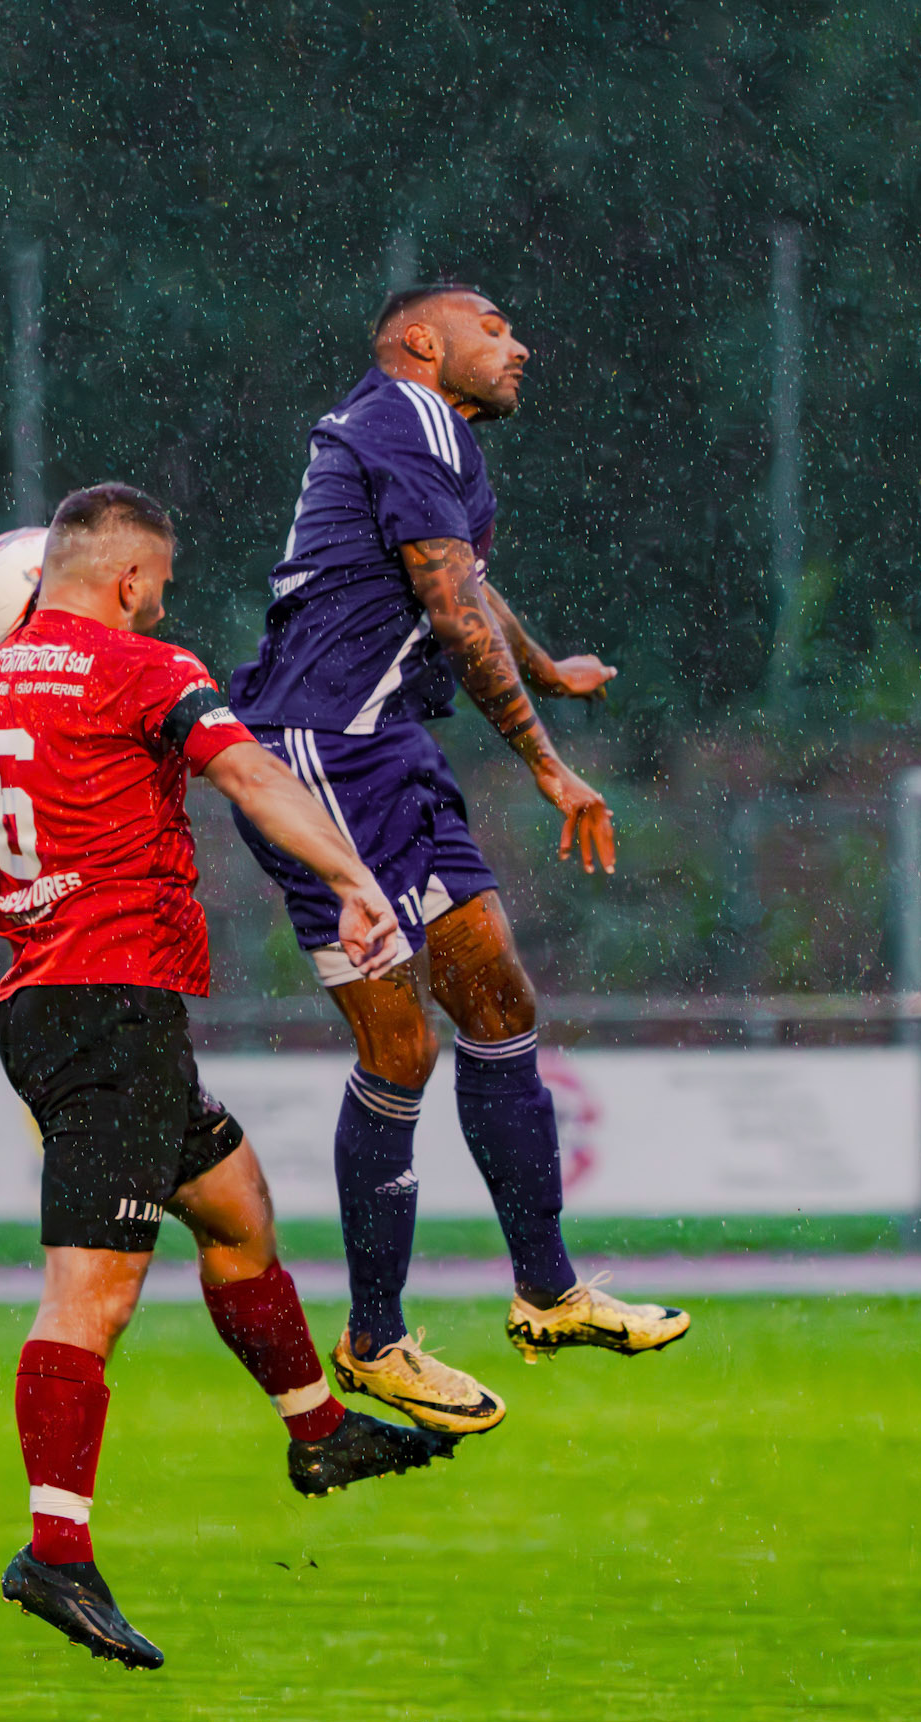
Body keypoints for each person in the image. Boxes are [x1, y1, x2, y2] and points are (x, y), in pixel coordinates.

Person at [0, 482, 455, 1674]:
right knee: (92, 1298)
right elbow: (249, 775)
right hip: (110, 1012)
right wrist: (352, 875)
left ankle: (318, 1428)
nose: (165, 602)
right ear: (131, 580)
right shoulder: (141, 668)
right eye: (164, 585)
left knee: (238, 1212)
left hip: (64, 1004)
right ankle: (55, 1550)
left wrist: (0, 891)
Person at [229, 283, 690, 1426]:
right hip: (324, 747)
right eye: (494, 327)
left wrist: (546, 669)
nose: (519, 343)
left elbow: (464, 587)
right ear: (423, 344)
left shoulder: (423, 438)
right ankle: (376, 1339)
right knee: (400, 1042)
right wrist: (545, 760)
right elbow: (446, 606)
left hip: (389, 745)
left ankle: (548, 1289)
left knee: (497, 998)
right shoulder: (403, 414)